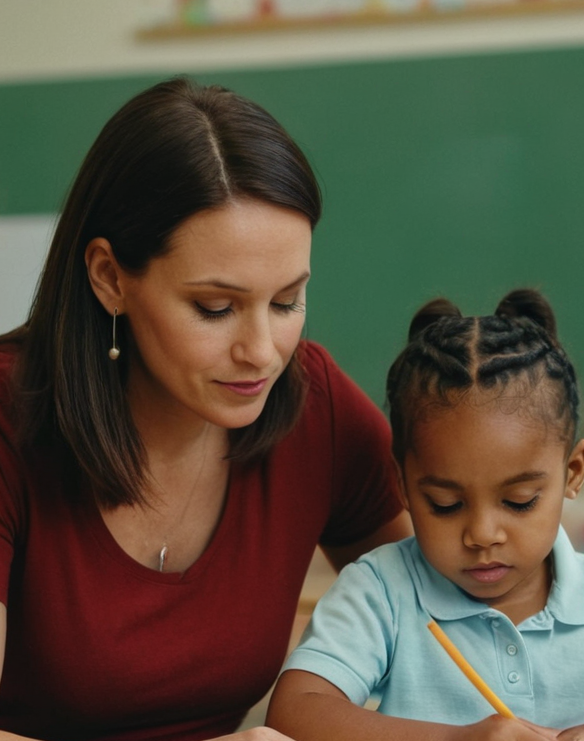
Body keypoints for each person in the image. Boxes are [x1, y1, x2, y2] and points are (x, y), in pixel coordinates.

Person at [0, 77, 411, 741]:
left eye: (286, 302)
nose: (261, 353)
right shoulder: (9, 417)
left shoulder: (314, 402)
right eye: (215, 308)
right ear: (109, 277)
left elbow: (449, 612)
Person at [266, 289, 584, 741]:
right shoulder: (381, 591)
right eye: (445, 504)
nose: (483, 534)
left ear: (573, 471)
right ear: (401, 482)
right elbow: (294, 716)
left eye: (519, 502)